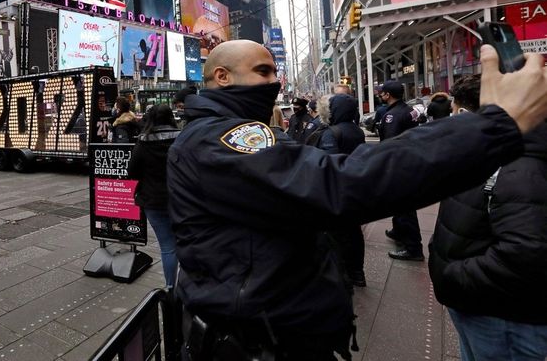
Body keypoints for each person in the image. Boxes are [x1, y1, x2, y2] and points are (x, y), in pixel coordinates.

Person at [167, 39, 547, 360]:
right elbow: (340, 183)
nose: (275, 83)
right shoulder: (216, 139)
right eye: (263, 72)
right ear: (222, 76)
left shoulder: (245, 130)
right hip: (255, 342)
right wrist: (493, 126)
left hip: (282, 330)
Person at [429, 73, 547, 361]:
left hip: (500, 316)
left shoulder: (520, 166)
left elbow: (527, 251)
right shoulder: (488, 153)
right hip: (479, 305)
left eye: (458, 109)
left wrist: (455, 274)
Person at [316, 94, 367, 287]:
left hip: (337, 191)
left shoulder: (331, 132)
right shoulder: (357, 130)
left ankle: (342, 274)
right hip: (355, 188)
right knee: (354, 233)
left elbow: (330, 164)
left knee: (337, 236)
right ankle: (357, 272)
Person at [127, 105, 181, 288]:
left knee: (167, 247)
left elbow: (132, 172)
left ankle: (170, 289)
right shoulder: (182, 138)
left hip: (153, 201)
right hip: (181, 199)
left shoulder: (143, 142)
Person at [377, 80, 424, 261]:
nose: (380, 95)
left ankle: (413, 248)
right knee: (398, 204)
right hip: (408, 161)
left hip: (399, 165)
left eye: (382, 93)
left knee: (404, 207)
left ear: (388, 95)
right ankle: (398, 231)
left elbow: (390, 144)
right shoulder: (407, 110)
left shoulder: (393, 116)